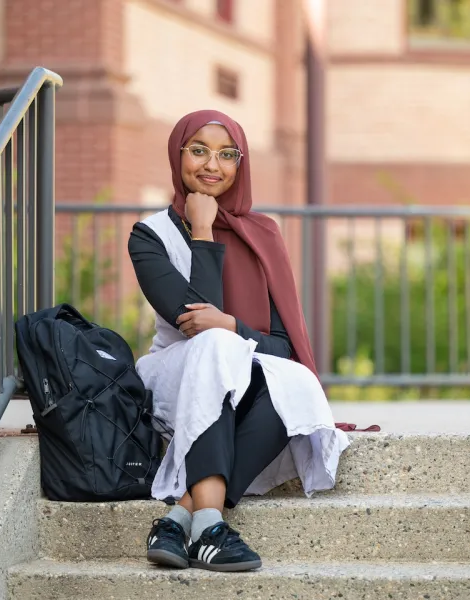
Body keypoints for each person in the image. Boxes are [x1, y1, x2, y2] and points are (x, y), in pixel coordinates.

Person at [128, 110, 350, 573]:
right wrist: (203, 231)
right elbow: (195, 323)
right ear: (178, 154)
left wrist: (232, 326)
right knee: (213, 347)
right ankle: (210, 528)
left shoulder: (263, 234)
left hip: (241, 372)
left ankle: (178, 519)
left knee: (296, 380)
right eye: (199, 150)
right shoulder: (151, 234)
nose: (213, 165)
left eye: (227, 155)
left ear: (240, 165)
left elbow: (283, 346)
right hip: (176, 373)